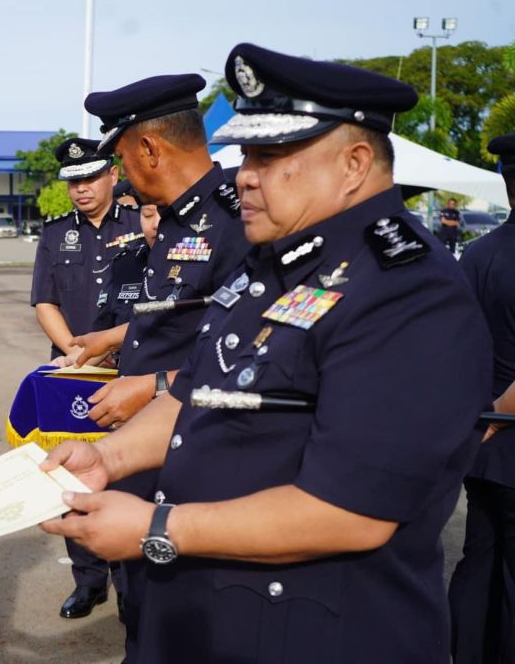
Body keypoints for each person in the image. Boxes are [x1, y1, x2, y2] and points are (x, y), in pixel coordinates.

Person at [40, 43, 492, 663]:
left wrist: (155, 530)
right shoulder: (275, 261)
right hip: (205, 614)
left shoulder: (406, 290)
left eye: (271, 155)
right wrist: (110, 459)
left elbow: (350, 512)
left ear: (355, 163)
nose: (245, 172)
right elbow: (200, 391)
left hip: (309, 631)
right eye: (247, 151)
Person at [64, 73, 251, 658]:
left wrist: (154, 385)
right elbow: (179, 314)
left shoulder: (236, 221)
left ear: (149, 148)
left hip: (195, 450)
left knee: (183, 607)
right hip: (147, 447)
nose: (120, 170)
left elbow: (247, 348)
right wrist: (110, 340)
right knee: (141, 604)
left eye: (120, 154)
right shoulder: (171, 217)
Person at [30, 137, 143, 620]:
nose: (81, 189)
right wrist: (78, 352)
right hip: (73, 376)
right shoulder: (55, 234)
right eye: (73, 182)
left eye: (90, 178)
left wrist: (116, 349)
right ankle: (88, 581)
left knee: (132, 474)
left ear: (113, 175)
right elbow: (45, 301)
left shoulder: (144, 223)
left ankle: (131, 585)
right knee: (73, 476)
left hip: (134, 371)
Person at [449, 131, 515, 663]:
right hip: (504, 432)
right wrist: (495, 421)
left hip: (482, 443)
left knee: (479, 564)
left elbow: (456, 348)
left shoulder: (477, 252)